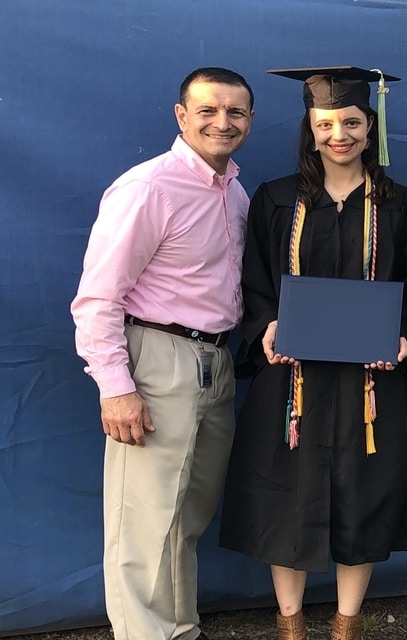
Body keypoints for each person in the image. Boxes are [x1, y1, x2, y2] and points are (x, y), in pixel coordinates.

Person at [218, 66, 407, 640]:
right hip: (292, 381)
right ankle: (290, 627)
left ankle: (345, 627)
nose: (338, 133)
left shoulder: (402, 203)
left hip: (370, 384)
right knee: (283, 498)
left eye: (351, 122)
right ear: (310, 129)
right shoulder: (275, 198)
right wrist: (264, 326)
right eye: (326, 123)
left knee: (362, 497)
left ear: (371, 127)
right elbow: (254, 282)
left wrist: (405, 339)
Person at [70, 67, 255, 640]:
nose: (222, 122)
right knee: (146, 521)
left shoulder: (235, 191)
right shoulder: (149, 187)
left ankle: (179, 629)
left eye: (236, 113)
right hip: (156, 360)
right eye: (208, 110)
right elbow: (98, 298)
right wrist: (117, 387)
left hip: (216, 363)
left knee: (186, 515)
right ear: (182, 116)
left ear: (248, 120)